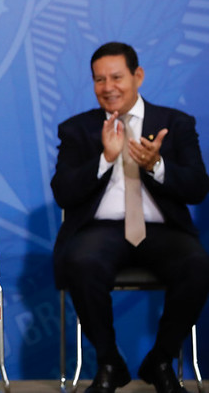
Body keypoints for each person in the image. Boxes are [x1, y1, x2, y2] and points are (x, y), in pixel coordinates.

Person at [51, 42, 209, 393]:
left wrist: (156, 165)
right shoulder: (76, 129)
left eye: (117, 77)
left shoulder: (175, 123)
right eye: (99, 79)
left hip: (162, 229)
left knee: (197, 265)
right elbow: (63, 192)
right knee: (81, 261)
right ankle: (110, 363)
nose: (108, 87)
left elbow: (198, 187)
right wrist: (105, 159)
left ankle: (162, 360)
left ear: (138, 76)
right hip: (100, 230)